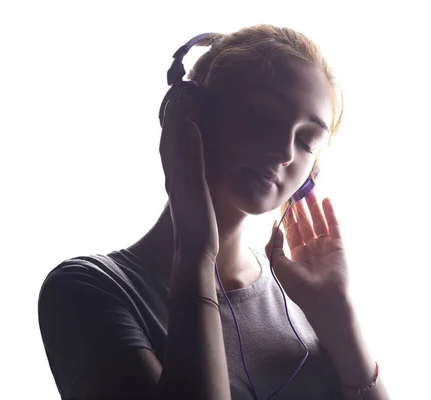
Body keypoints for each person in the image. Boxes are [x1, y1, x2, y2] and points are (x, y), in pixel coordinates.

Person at [38, 24, 390, 400]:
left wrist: (339, 318)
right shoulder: (87, 290)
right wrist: (195, 253)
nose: (286, 152)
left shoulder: (304, 294)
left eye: (307, 141)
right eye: (263, 119)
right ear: (187, 114)